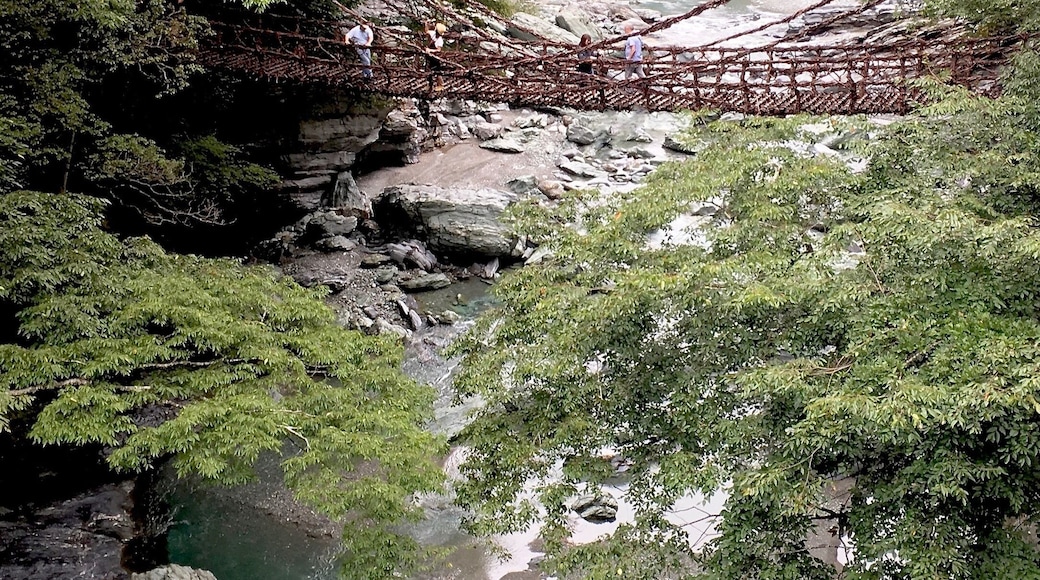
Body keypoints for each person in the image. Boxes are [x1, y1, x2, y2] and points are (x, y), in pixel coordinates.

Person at [424, 21, 446, 91]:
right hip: (429, 56)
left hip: (435, 57)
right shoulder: (433, 34)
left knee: (437, 71)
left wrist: (430, 50)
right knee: (428, 70)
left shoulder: (440, 40)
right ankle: (430, 85)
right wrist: (426, 24)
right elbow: (427, 31)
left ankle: (441, 85)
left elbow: (438, 50)